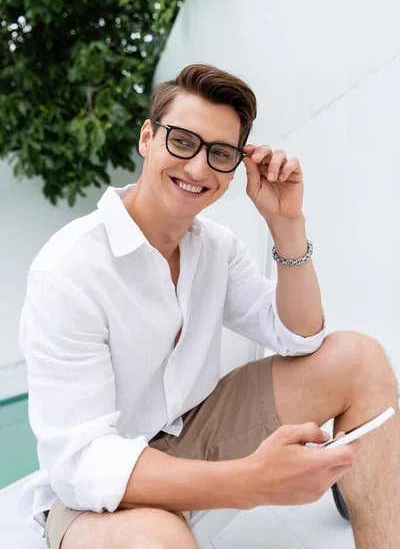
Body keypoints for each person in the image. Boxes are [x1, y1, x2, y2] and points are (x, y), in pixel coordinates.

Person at [19, 63, 399, 549]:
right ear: (147, 138)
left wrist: (287, 223)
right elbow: (82, 463)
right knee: (155, 544)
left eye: (219, 153)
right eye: (181, 141)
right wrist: (252, 480)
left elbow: (298, 335)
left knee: (359, 359)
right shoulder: (69, 270)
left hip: (198, 432)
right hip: (103, 484)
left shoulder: (216, 247)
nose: (198, 168)